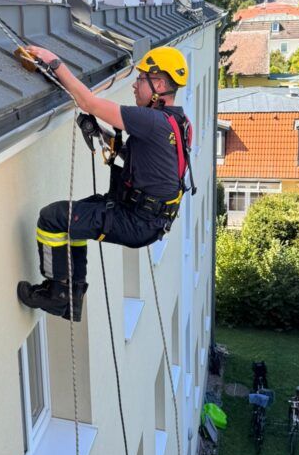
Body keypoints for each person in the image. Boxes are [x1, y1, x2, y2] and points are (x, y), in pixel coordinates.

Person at [17, 45, 193, 321]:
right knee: (73, 223)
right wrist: (101, 132)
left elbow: (88, 102)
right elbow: (146, 161)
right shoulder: (178, 123)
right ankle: (71, 295)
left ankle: (59, 294)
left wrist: (53, 63)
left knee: (52, 218)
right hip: (146, 218)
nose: (135, 85)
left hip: (135, 219)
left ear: (159, 84)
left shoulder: (150, 120)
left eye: (141, 78)